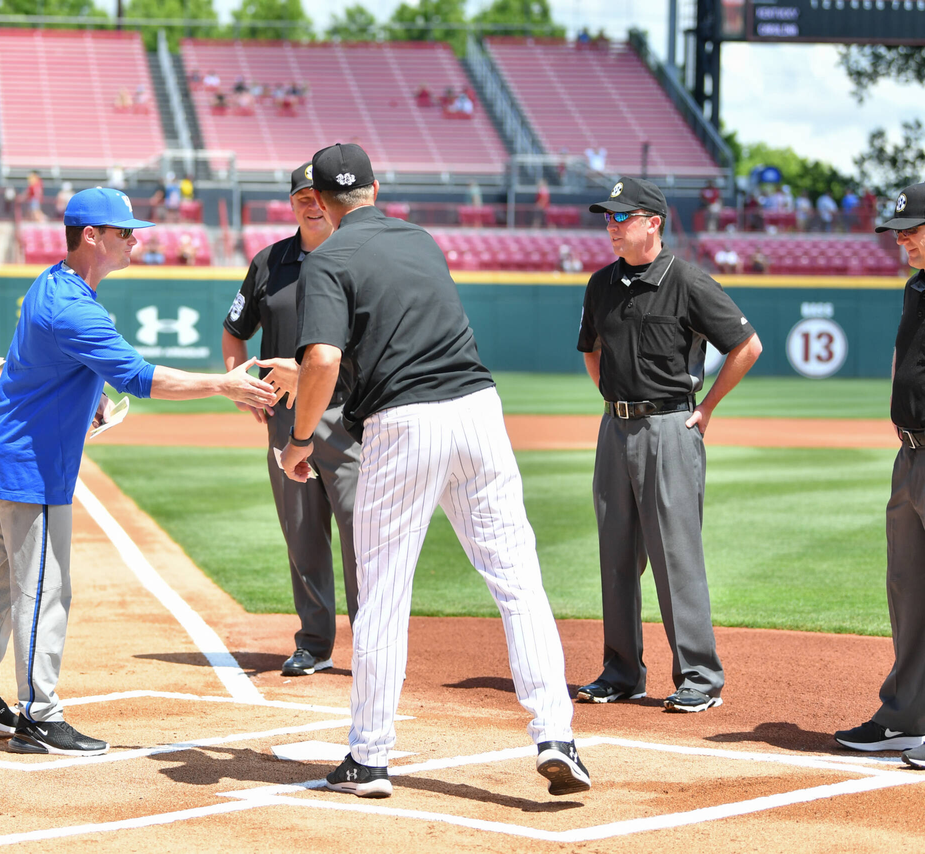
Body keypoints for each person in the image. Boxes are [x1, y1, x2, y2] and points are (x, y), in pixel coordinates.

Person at [278, 143, 590, 799]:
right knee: (517, 581)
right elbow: (387, 345)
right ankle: (556, 736)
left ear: (320, 202)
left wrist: (300, 439)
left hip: (403, 425)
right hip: (478, 412)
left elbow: (326, 359)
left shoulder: (327, 258)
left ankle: (369, 758)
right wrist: (316, 375)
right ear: (374, 188)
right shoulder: (420, 240)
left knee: (383, 593)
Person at [0, 188, 276, 755]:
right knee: (43, 590)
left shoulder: (55, 283)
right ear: (92, 236)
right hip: (32, 465)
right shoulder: (73, 305)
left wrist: (89, 396)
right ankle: (38, 715)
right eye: (125, 232)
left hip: (10, 453)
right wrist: (223, 383)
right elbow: (142, 378)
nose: (135, 241)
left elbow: (49, 364)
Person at [576, 177, 762, 713]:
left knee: (676, 556)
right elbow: (591, 349)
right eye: (607, 218)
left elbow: (747, 345)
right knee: (616, 556)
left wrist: (708, 408)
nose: (611, 226)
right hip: (615, 430)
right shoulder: (600, 283)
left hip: (670, 430)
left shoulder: (687, 280)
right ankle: (622, 672)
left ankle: (700, 678)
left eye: (621, 217)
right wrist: (615, 400)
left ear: (653, 222)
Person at [222, 162, 360, 677]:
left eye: (316, 195)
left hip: (350, 415)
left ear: (330, 200)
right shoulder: (270, 261)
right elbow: (234, 329)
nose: (310, 204)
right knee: (302, 536)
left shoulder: (357, 256)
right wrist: (240, 385)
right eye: (301, 196)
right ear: (293, 203)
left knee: (363, 534)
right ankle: (315, 643)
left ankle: (374, 643)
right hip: (285, 418)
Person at [835, 183, 925, 757]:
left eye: (912, 230)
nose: (902, 241)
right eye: (898, 232)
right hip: (910, 454)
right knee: (908, 590)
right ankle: (905, 716)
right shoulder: (916, 285)